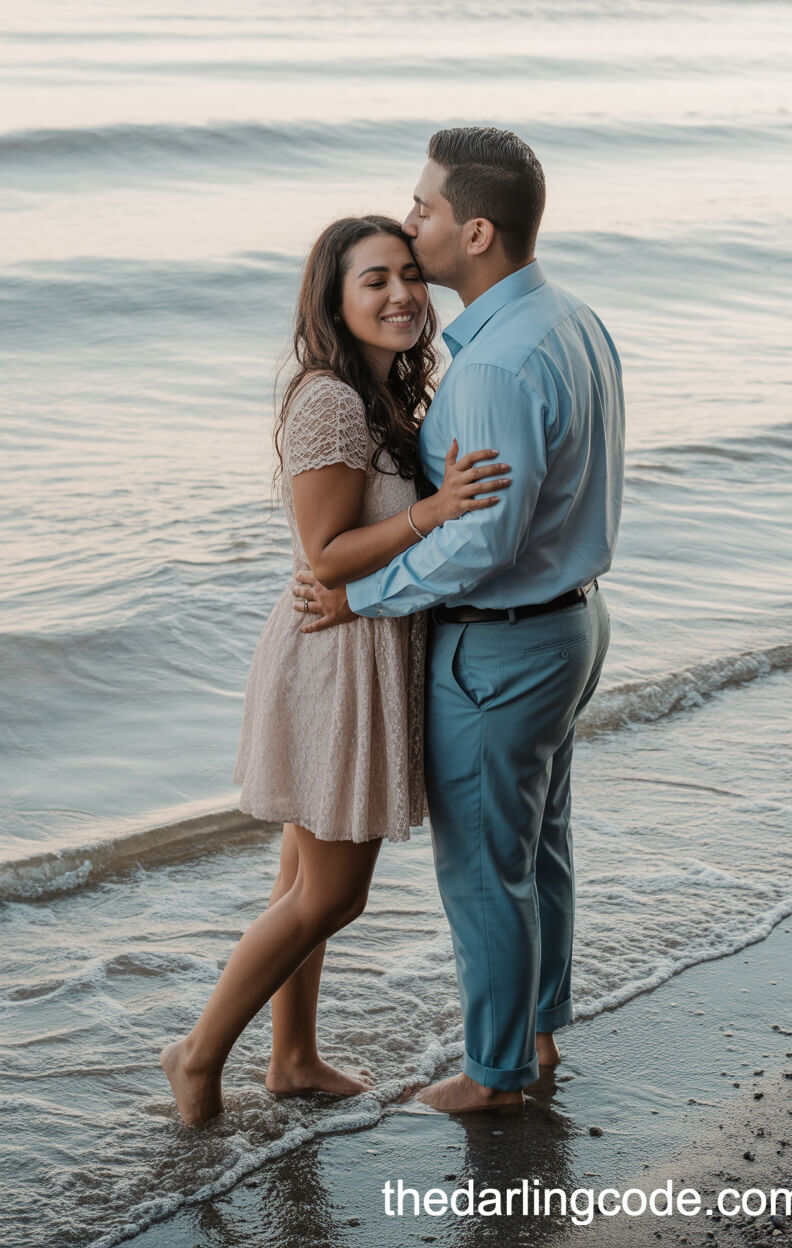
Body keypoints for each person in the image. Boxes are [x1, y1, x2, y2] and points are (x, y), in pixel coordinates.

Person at [294, 128, 625, 1113]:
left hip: (502, 643)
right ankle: (536, 1036)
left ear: (475, 232)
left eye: (425, 208)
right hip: (570, 626)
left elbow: (481, 543)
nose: (411, 223)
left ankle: (495, 1076)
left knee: (486, 869)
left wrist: (361, 595)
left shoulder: (490, 370)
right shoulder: (571, 320)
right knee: (539, 846)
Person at [160, 215, 512, 1126]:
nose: (402, 294)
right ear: (333, 299)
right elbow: (324, 556)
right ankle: (196, 1056)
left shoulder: (381, 390)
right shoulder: (331, 400)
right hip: (335, 656)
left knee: (300, 882)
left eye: (409, 275)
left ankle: (293, 1059)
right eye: (374, 280)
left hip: (363, 646)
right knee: (332, 894)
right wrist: (434, 511)